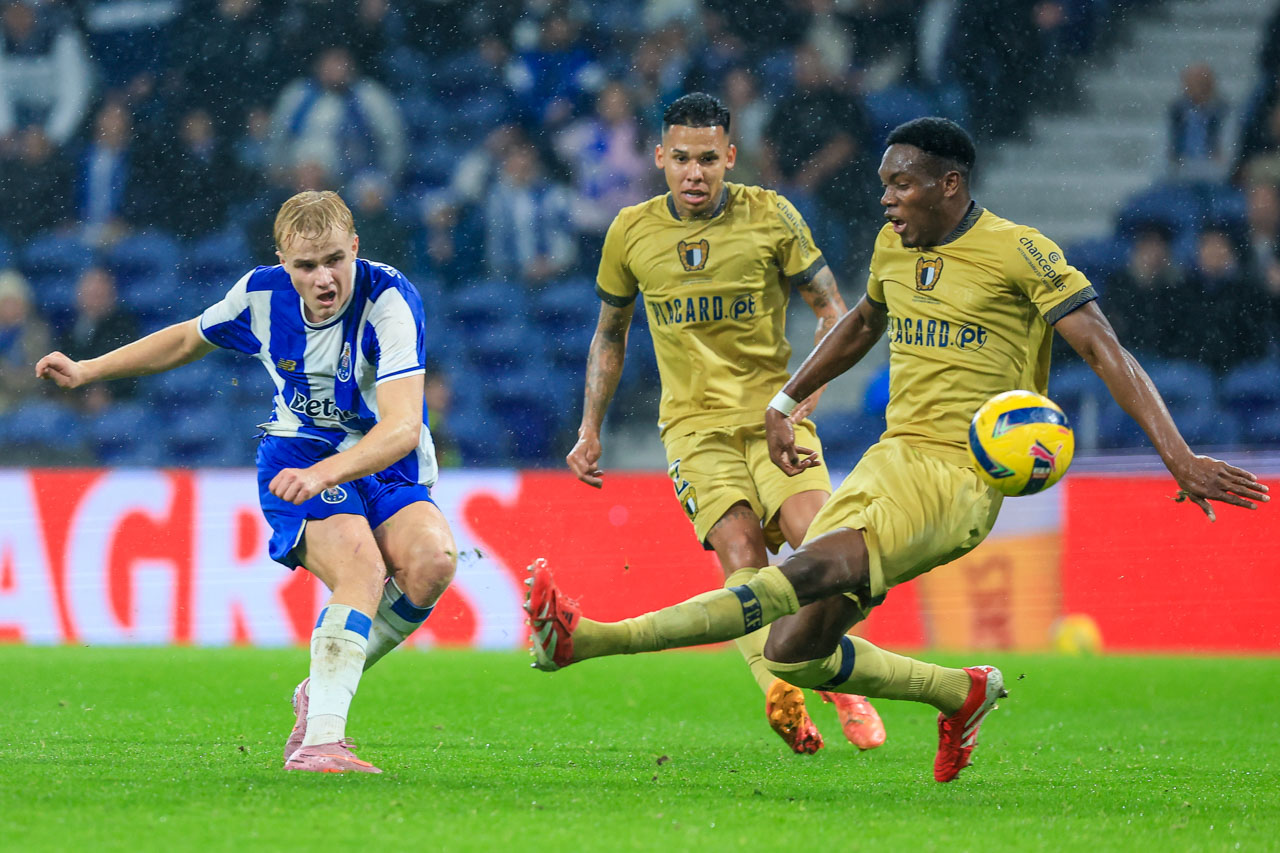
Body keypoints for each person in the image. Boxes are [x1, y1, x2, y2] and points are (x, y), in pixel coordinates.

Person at [533, 117, 1270, 783]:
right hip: (890, 457)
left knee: (806, 568)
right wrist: (786, 400)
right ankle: (961, 691)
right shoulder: (894, 246)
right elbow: (859, 322)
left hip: (959, 476)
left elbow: (1105, 349)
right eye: (885, 183)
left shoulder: (1020, 253)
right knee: (794, 649)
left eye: (902, 184)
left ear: (949, 185)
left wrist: (1179, 455)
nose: (887, 200)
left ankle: (589, 638)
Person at [35, 190, 458, 774]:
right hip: (297, 450)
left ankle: (318, 691)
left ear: (355, 248)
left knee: (433, 563)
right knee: (362, 568)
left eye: (334, 259)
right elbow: (187, 338)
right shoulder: (261, 295)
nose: (323, 277)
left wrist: (327, 473)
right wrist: (90, 368)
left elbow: (404, 425)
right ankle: (320, 743)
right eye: (306, 266)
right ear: (283, 262)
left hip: (380, 459)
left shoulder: (388, 299)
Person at [563, 92, 884, 756]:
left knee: (826, 548)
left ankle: (829, 669)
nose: (694, 172)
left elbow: (834, 311)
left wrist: (805, 392)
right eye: (680, 158)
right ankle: (779, 688)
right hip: (693, 429)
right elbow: (609, 335)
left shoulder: (773, 215)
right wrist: (589, 426)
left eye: (708, 158)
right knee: (742, 554)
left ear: (730, 157)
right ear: (659, 158)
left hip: (773, 418)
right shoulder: (630, 231)